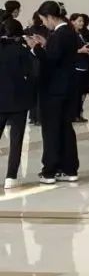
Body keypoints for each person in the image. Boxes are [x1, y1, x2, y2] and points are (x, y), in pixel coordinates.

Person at [33, 1, 89, 184]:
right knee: (65, 129)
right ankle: (69, 169)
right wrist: (46, 44)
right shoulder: (69, 32)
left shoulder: (59, 34)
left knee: (51, 130)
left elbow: (51, 61)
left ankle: (50, 171)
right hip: (68, 88)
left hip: (53, 90)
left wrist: (36, 48)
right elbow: (60, 54)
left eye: (44, 20)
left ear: (50, 17)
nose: (44, 24)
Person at [0, 17, 37, 189]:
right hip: (19, 101)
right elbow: (33, 73)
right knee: (16, 140)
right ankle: (11, 176)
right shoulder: (22, 51)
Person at [70, 13, 89, 123]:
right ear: (72, 22)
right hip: (76, 67)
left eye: (82, 21)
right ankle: (75, 115)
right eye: (79, 21)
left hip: (82, 66)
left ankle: (77, 113)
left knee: (80, 92)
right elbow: (69, 51)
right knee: (76, 93)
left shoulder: (79, 34)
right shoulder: (71, 35)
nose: (82, 23)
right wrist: (81, 50)